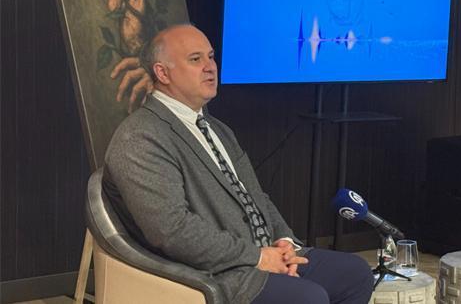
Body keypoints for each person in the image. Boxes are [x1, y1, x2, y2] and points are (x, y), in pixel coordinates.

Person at [103, 24, 373, 303]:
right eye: (195, 59)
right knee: (309, 297)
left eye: (211, 57)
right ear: (162, 73)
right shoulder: (141, 136)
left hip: (261, 254)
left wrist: (285, 244)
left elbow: (256, 197)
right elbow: (171, 231)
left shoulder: (217, 129)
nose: (210, 67)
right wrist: (257, 257)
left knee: (355, 274)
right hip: (217, 272)